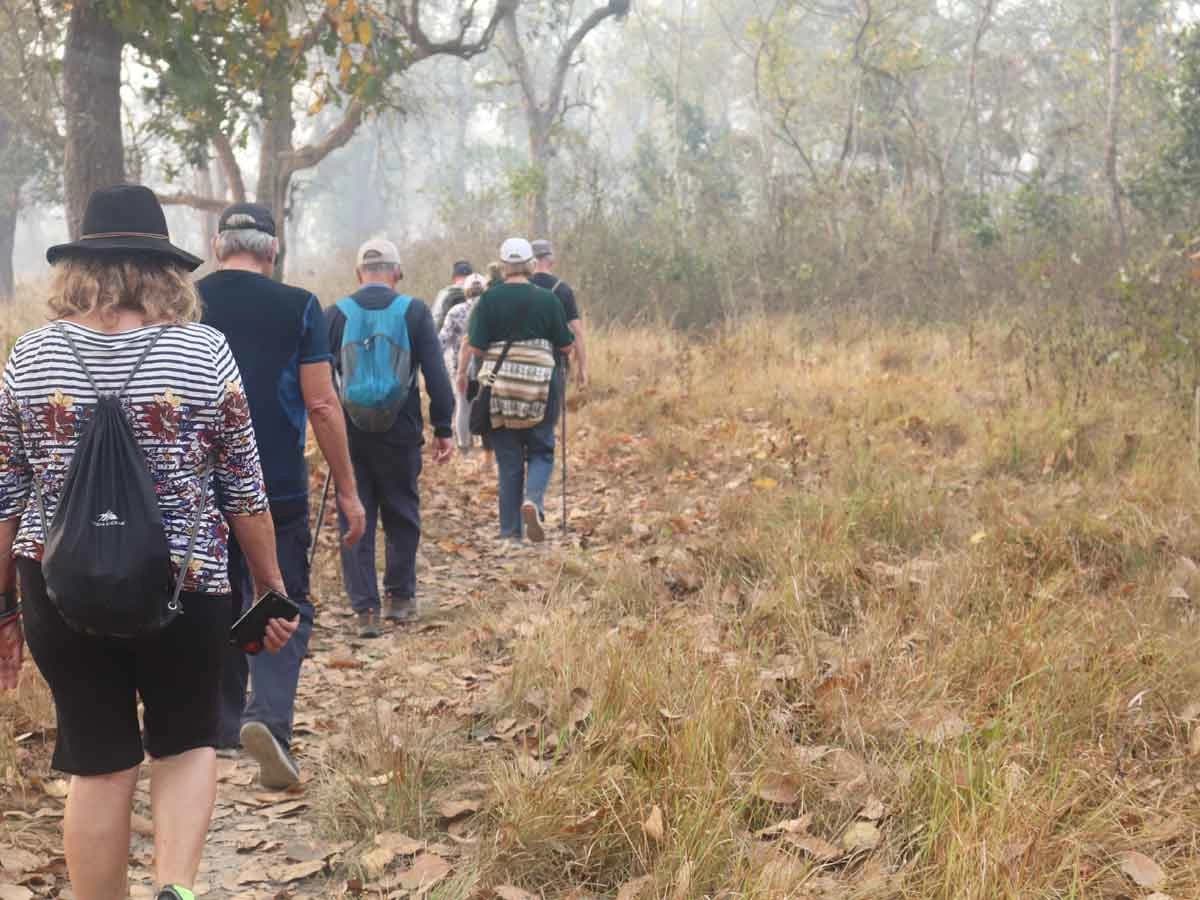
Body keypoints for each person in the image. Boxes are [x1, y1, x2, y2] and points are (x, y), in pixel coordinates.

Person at [0, 185, 297, 900]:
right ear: (165, 269)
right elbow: (244, 488)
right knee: (186, 742)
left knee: (98, 761)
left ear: (75, 269)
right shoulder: (202, 350)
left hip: (58, 584)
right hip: (187, 580)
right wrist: (269, 585)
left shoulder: (30, 357)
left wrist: (5, 608)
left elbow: (6, 496)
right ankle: (176, 888)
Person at [198, 202, 366, 791]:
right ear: (273, 250)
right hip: (277, 487)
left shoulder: (185, 302)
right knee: (280, 598)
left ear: (219, 245)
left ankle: (216, 726)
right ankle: (267, 718)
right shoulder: (299, 306)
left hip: (196, 487)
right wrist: (348, 490)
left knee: (213, 595)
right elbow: (321, 403)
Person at [326, 239, 455, 637]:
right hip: (401, 431)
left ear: (358, 273)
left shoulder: (336, 314)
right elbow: (436, 375)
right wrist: (444, 427)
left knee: (355, 513)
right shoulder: (414, 312)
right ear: (397, 272)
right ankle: (400, 599)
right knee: (402, 513)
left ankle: (365, 610)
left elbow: (317, 383)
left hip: (350, 434)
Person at [462, 238, 574, 543]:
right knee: (541, 449)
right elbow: (566, 344)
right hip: (541, 386)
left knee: (509, 458)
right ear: (529, 265)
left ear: (502, 266)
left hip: (500, 387)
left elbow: (476, 346)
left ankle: (510, 532)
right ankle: (533, 501)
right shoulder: (548, 300)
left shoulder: (488, 300)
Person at [440, 272, 488, 454]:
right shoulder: (489, 309)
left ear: (466, 292)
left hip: (460, 367)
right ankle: (486, 446)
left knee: (463, 405)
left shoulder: (455, 311)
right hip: (486, 365)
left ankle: (464, 446)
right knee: (485, 403)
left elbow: (443, 339)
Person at [531, 239, 588, 388]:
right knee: (553, 409)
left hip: (522, 360)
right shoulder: (563, 289)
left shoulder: (520, 286)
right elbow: (577, 332)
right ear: (551, 260)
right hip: (554, 362)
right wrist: (583, 368)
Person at [431, 259, 473, 333]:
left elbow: (435, 319)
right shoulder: (478, 292)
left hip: (449, 338)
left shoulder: (444, 293)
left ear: (454, 278)